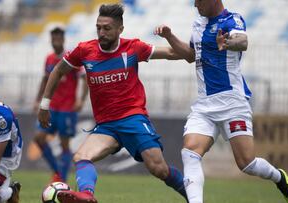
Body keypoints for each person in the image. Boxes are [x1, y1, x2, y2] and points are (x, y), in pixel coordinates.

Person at [38, 3, 187, 203]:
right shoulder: (85, 50)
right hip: (106, 126)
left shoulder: (133, 48)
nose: (101, 32)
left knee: (159, 169)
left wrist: (169, 36)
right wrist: (44, 104)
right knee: (81, 156)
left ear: (120, 30)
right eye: (98, 27)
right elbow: (58, 70)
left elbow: (176, 53)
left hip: (133, 119)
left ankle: (193, 196)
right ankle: (87, 196)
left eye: (107, 28)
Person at [154, 0, 288, 203]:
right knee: (190, 152)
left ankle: (279, 177)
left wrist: (228, 43)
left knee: (246, 163)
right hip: (204, 105)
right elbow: (190, 56)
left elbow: (243, 42)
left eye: (198, 0)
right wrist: (170, 37)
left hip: (232, 103)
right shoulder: (198, 24)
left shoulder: (233, 20)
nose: (195, 4)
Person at [33, 27, 88, 183]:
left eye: (59, 38)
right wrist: (38, 100)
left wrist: (81, 100)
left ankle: (61, 180)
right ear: (51, 40)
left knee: (64, 144)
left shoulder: (70, 58)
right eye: (53, 38)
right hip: (51, 107)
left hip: (67, 108)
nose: (56, 40)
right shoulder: (49, 59)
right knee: (39, 138)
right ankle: (58, 171)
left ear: (63, 40)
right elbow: (45, 80)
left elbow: (85, 79)